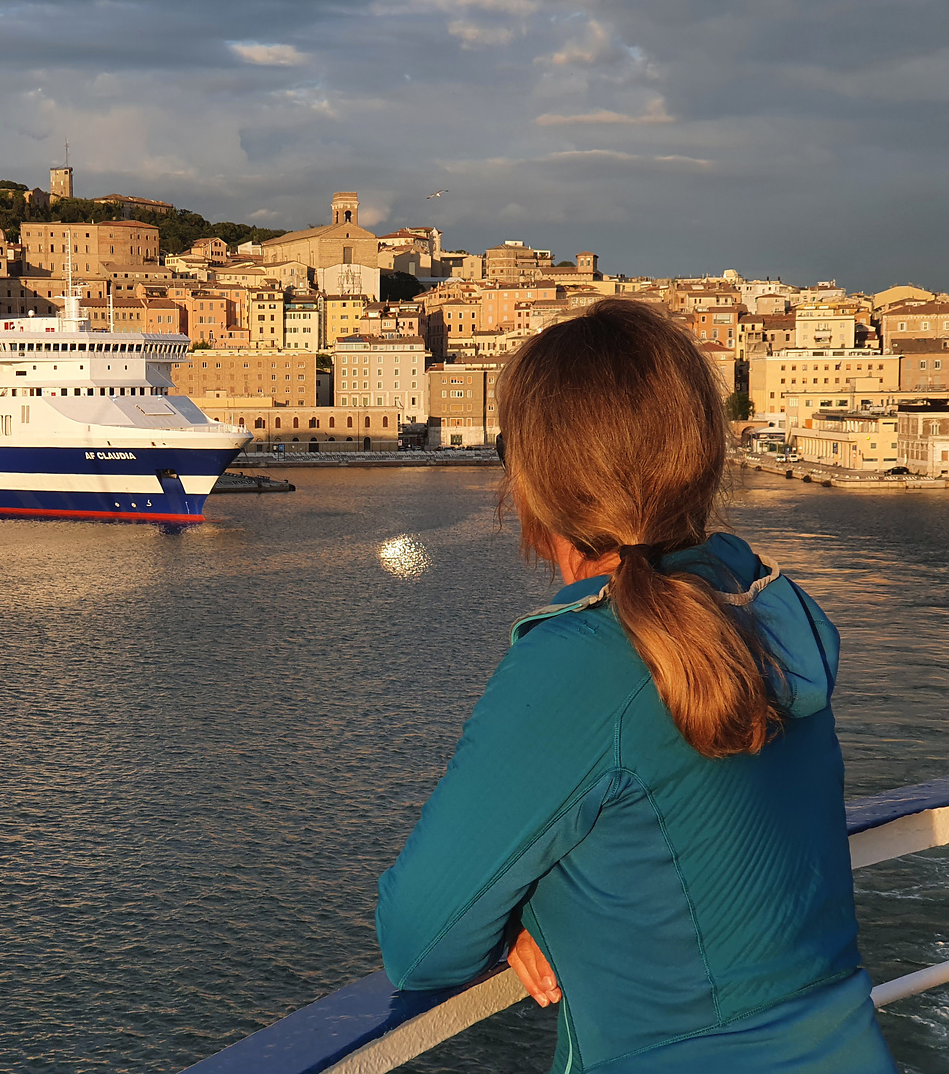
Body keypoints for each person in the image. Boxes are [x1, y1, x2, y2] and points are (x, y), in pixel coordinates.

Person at [375, 300, 896, 1072]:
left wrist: (513, 907)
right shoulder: (767, 603)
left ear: (534, 483)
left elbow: (417, 944)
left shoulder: (582, 662)